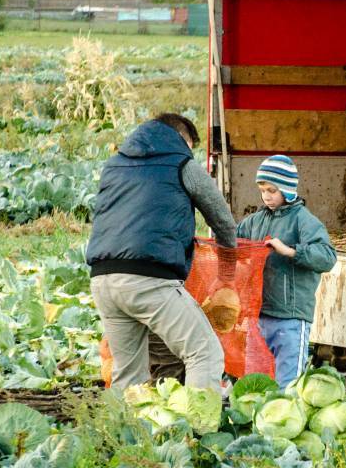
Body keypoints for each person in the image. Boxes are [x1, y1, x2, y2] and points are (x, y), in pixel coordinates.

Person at [87, 113, 237, 392]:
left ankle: (120, 433)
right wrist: (226, 275)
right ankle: (197, 431)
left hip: (103, 280)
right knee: (204, 353)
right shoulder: (182, 164)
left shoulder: (114, 166)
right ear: (182, 138)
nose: (189, 152)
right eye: (190, 145)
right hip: (148, 280)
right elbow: (223, 222)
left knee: (128, 373)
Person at [236, 155, 337, 389]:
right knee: (255, 386)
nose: (266, 196)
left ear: (288, 189)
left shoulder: (304, 220)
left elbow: (327, 257)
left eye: (272, 190)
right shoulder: (254, 222)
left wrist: (290, 251)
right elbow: (231, 241)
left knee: (287, 387)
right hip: (259, 316)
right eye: (262, 190)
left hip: (291, 318)